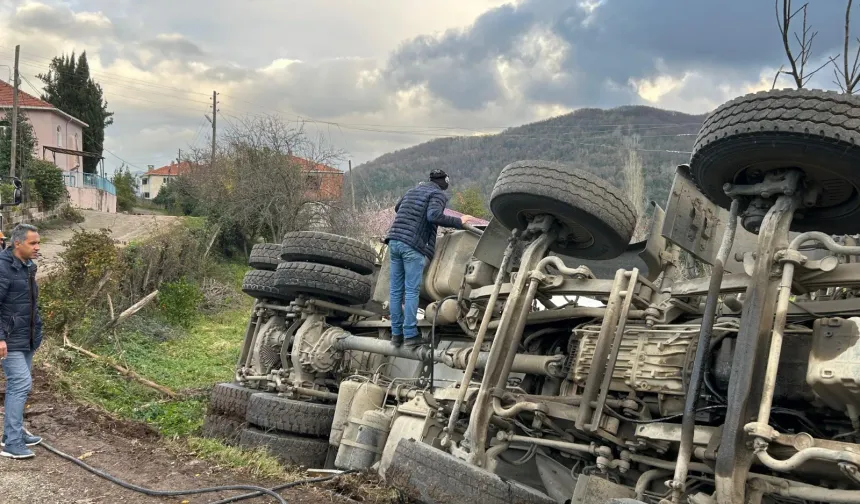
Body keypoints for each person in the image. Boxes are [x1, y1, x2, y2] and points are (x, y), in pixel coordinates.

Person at [385, 170, 472, 348]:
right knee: (411, 291)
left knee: (395, 292)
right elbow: (433, 216)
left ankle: (396, 336)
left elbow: (397, 208)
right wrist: (459, 221)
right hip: (413, 245)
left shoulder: (412, 191)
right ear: (444, 182)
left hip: (394, 241)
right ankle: (410, 336)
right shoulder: (437, 194)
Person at [0, 224, 43, 459]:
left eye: (38, 243)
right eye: (33, 243)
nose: (37, 247)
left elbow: (30, 303)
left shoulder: (28, 266)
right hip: (8, 340)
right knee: (21, 385)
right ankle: (12, 443)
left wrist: (38, 329)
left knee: (21, 387)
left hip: (25, 338)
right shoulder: (2, 268)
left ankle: (12, 433)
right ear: (18, 243)